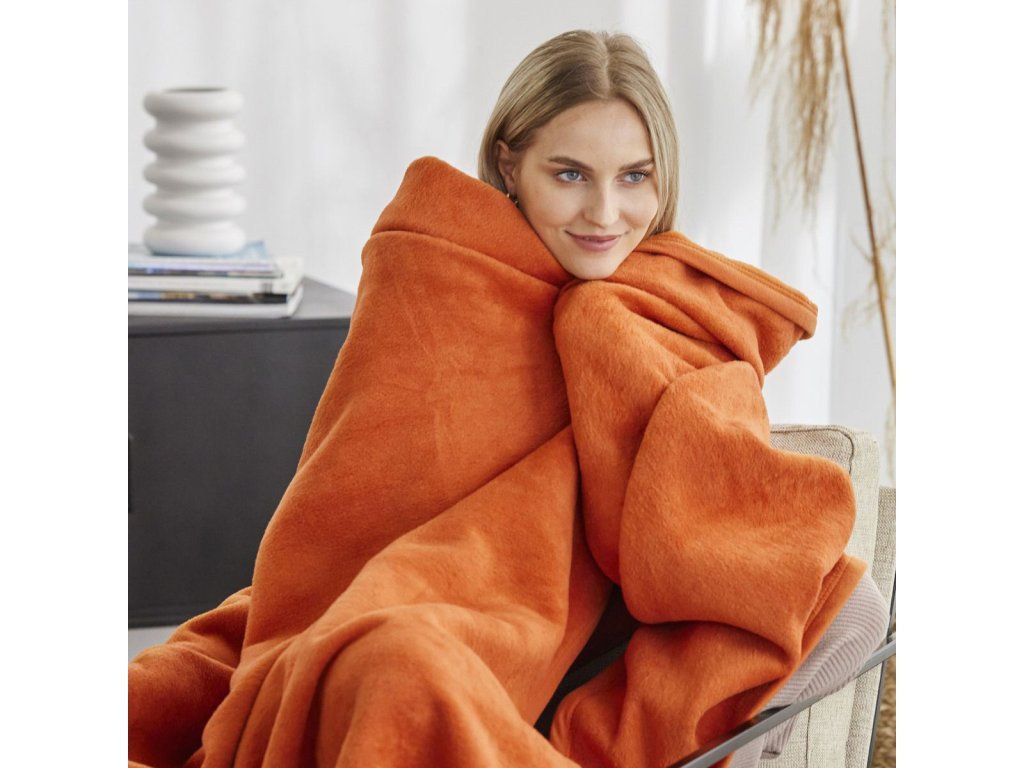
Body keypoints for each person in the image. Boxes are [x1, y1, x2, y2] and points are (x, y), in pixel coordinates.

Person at [129, 29, 888, 768]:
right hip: (391, 607)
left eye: (634, 177)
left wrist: (602, 332)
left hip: (517, 647)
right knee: (359, 659)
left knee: (399, 665)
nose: (604, 213)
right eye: (570, 175)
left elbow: (703, 526)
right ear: (509, 161)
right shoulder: (432, 273)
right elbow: (342, 517)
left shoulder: (668, 317)